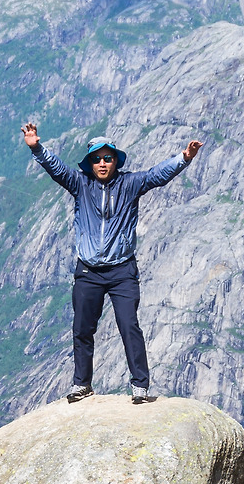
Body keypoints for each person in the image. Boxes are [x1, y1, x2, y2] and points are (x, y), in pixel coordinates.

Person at [22, 123, 202, 404]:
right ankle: (82, 384)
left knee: (129, 325)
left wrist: (185, 158)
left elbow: (157, 175)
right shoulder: (80, 183)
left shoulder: (130, 184)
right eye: (97, 159)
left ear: (116, 160)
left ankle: (140, 385)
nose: (102, 163)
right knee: (82, 328)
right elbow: (56, 168)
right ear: (90, 163)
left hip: (122, 271)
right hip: (88, 271)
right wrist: (36, 147)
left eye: (107, 158)